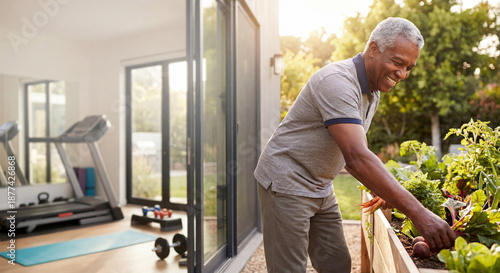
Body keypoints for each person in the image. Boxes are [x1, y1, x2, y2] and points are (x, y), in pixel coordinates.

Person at [254, 17, 456, 273]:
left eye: (409, 68)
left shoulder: (373, 90)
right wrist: (420, 213)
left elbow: (359, 145)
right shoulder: (337, 82)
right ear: (373, 49)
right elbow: (356, 157)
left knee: (336, 265)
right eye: (397, 62)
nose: (403, 74)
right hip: (286, 182)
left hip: (320, 186)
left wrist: (382, 187)